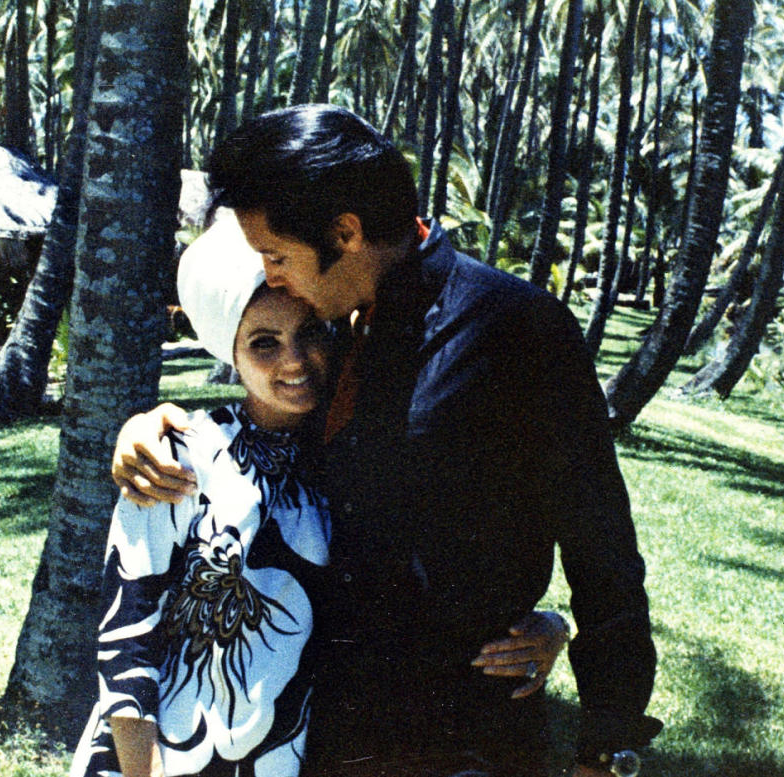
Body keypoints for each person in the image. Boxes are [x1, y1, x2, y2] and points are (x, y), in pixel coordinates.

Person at [112, 105, 662, 777]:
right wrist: (154, 427)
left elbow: (601, 548)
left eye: (276, 257)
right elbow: (267, 448)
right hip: (322, 734)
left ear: (344, 232)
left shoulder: (516, 328)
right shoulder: (334, 338)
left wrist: (604, 747)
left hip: (463, 735)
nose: (271, 277)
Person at [73, 211, 570, 777]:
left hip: (302, 757)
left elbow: (425, 577)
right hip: (169, 759)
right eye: (263, 342)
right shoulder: (177, 456)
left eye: (309, 332)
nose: (293, 360)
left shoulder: (352, 454)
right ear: (228, 353)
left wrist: (548, 626)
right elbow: (126, 641)